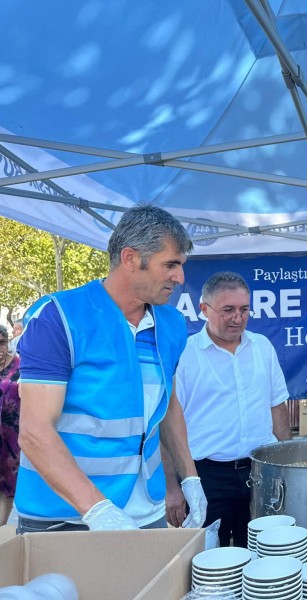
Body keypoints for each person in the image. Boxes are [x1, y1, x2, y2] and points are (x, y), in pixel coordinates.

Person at [15, 204, 207, 533]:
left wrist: (190, 477)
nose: (180, 278)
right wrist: (98, 510)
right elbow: (34, 432)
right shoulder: (59, 318)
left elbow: (167, 405)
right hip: (65, 515)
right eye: (170, 264)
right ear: (130, 258)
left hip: (147, 510)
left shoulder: (172, 324)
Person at [167, 271, 292, 547]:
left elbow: (277, 410)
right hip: (206, 477)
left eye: (244, 309)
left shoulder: (262, 347)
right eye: (228, 310)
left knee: (264, 554)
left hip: (260, 473)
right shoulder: (184, 355)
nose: (238, 318)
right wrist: (172, 487)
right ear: (204, 309)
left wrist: (289, 466)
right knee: (209, 558)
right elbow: (168, 426)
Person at [0, 325, 21, 525]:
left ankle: (2, 524)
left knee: (8, 482)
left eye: (2, 343)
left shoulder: (20, 366)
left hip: (12, 436)